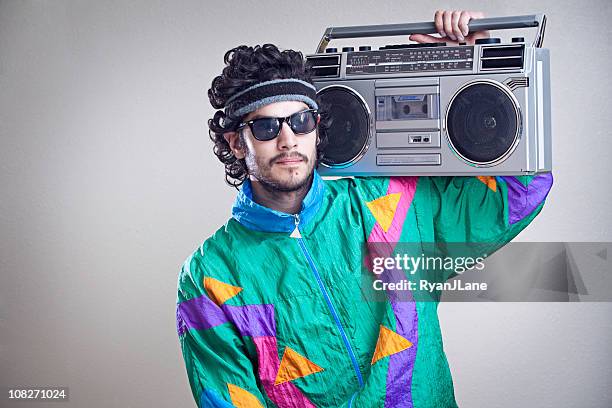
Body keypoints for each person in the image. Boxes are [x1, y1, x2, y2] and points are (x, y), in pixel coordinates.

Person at [176, 10, 553, 408]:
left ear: (317, 127)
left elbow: (519, 191)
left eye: (301, 121)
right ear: (237, 142)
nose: (288, 140)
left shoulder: (390, 203)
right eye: (266, 127)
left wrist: (479, 68)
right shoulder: (209, 277)